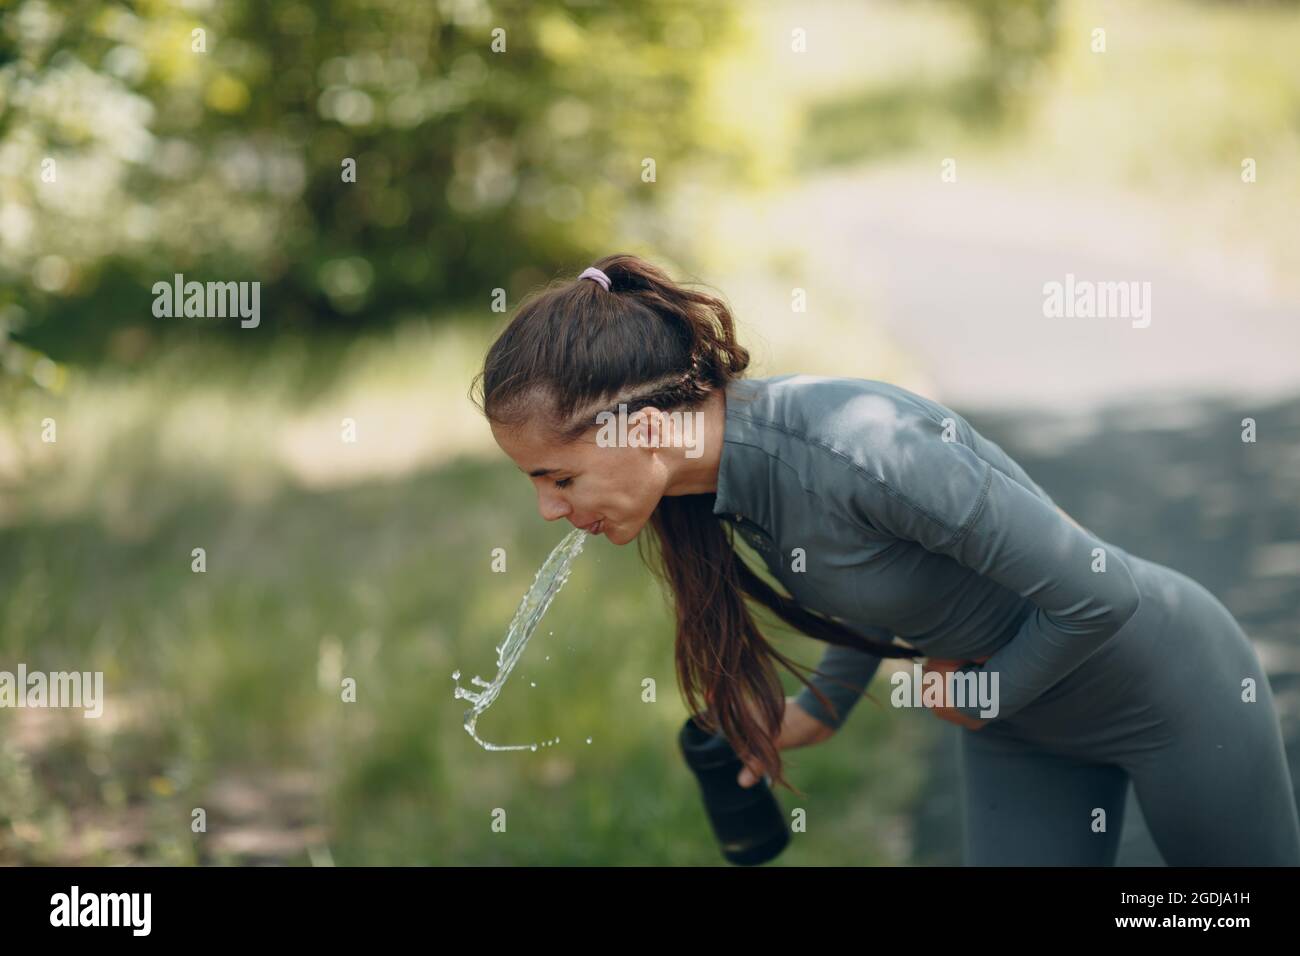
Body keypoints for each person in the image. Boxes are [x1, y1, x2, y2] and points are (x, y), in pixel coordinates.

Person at [469, 253, 1300, 866]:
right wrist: (819, 713)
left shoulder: (860, 446)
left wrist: (985, 690)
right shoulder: (718, 484)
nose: (549, 507)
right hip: (1022, 726)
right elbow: (868, 585)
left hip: (1165, 686)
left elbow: (1101, 595)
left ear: (644, 429)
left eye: (559, 476)